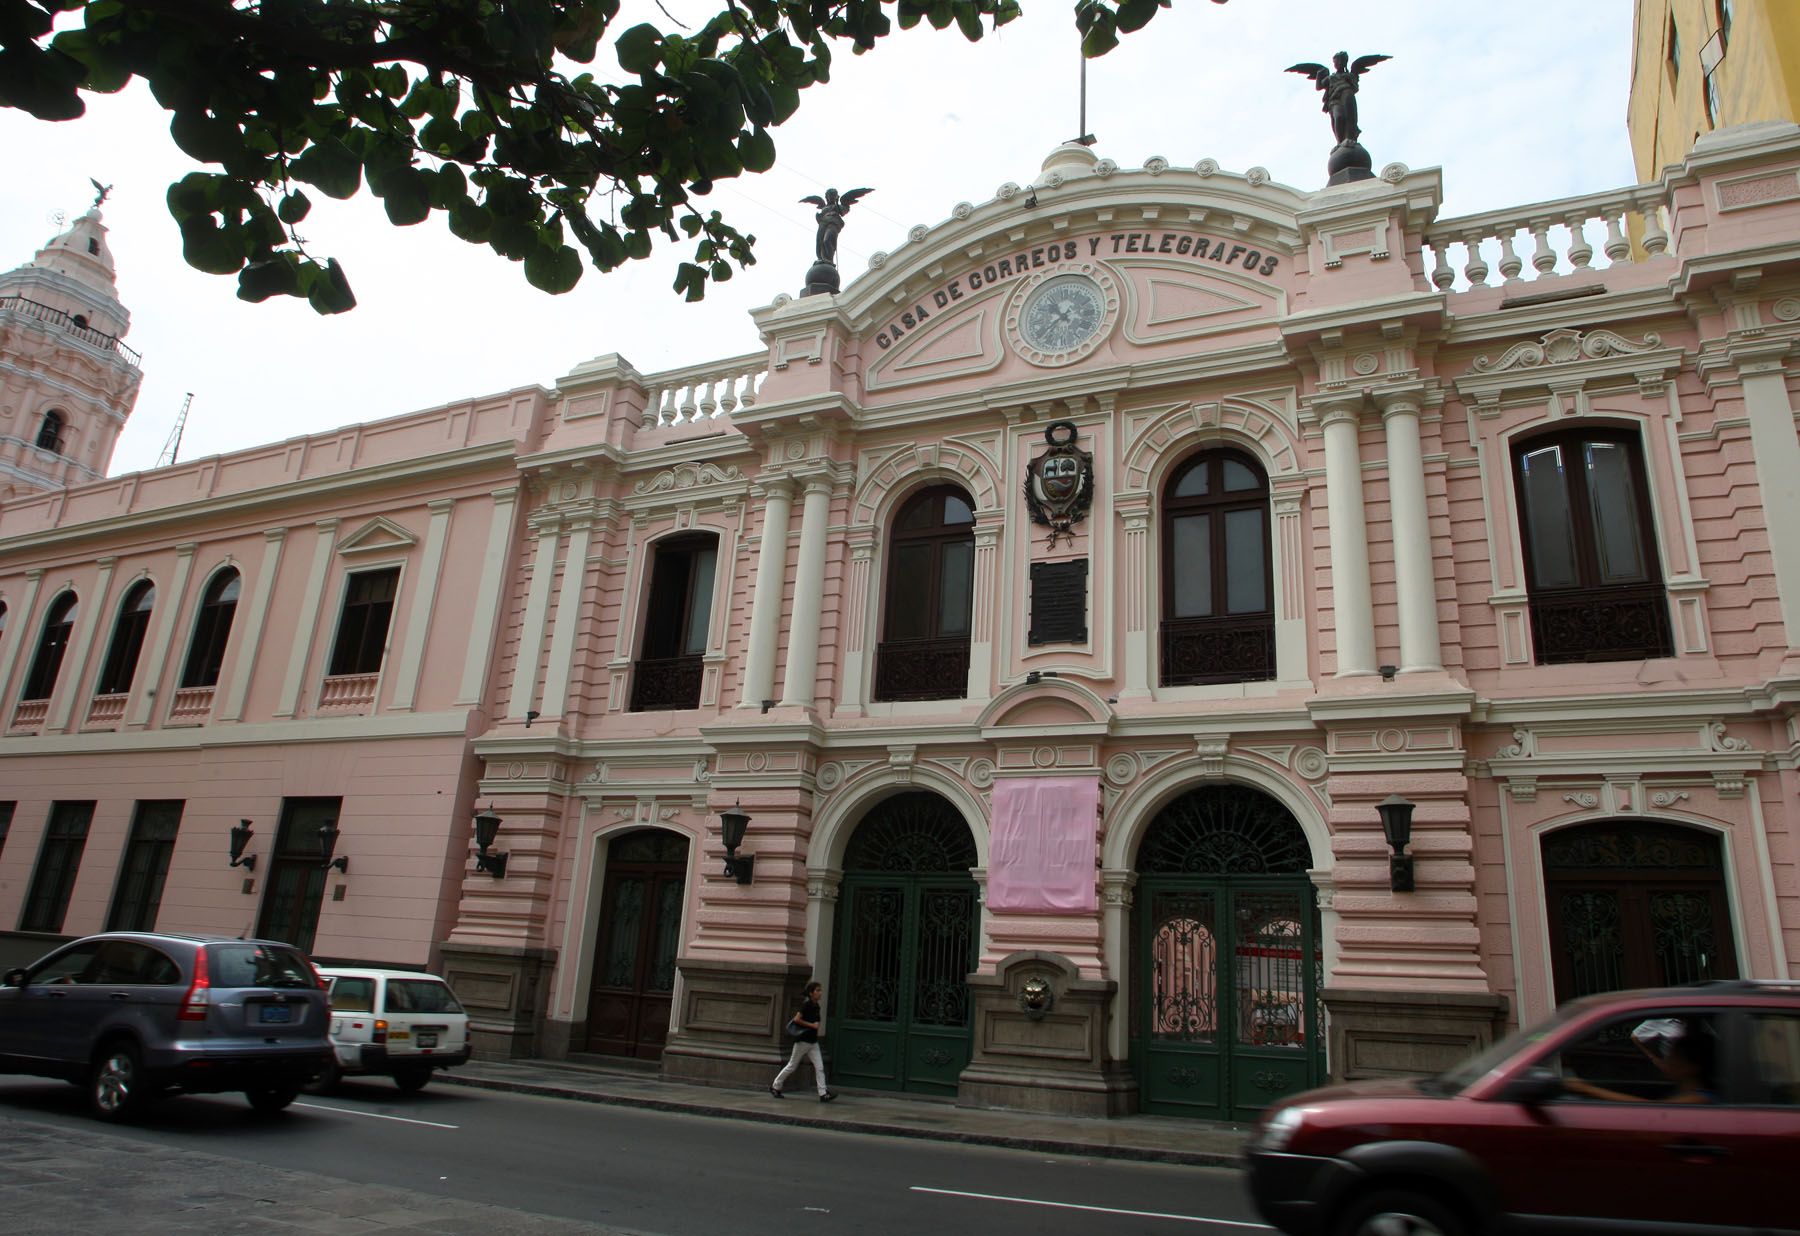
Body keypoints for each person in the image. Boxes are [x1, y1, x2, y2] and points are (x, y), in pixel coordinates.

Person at [1563, 1022, 1719, 1104]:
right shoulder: (1683, 1091)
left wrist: (1587, 1088)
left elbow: (1650, 1109)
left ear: (1691, 1067)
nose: (1666, 1061)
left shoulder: (1699, 1099)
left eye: (1674, 1057)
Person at [771, 980, 836, 1102]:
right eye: (817, 990)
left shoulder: (816, 1006)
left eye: (820, 990)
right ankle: (776, 1086)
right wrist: (812, 1025)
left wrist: (815, 1025)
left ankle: (823, 1093)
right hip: (802, 1041)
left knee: (820, 1067)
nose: (820, 993)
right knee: (792, 1065)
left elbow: (816, 1022)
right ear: (811, 993)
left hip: (813, 1042)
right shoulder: (806, 1005)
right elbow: (797, 1019)